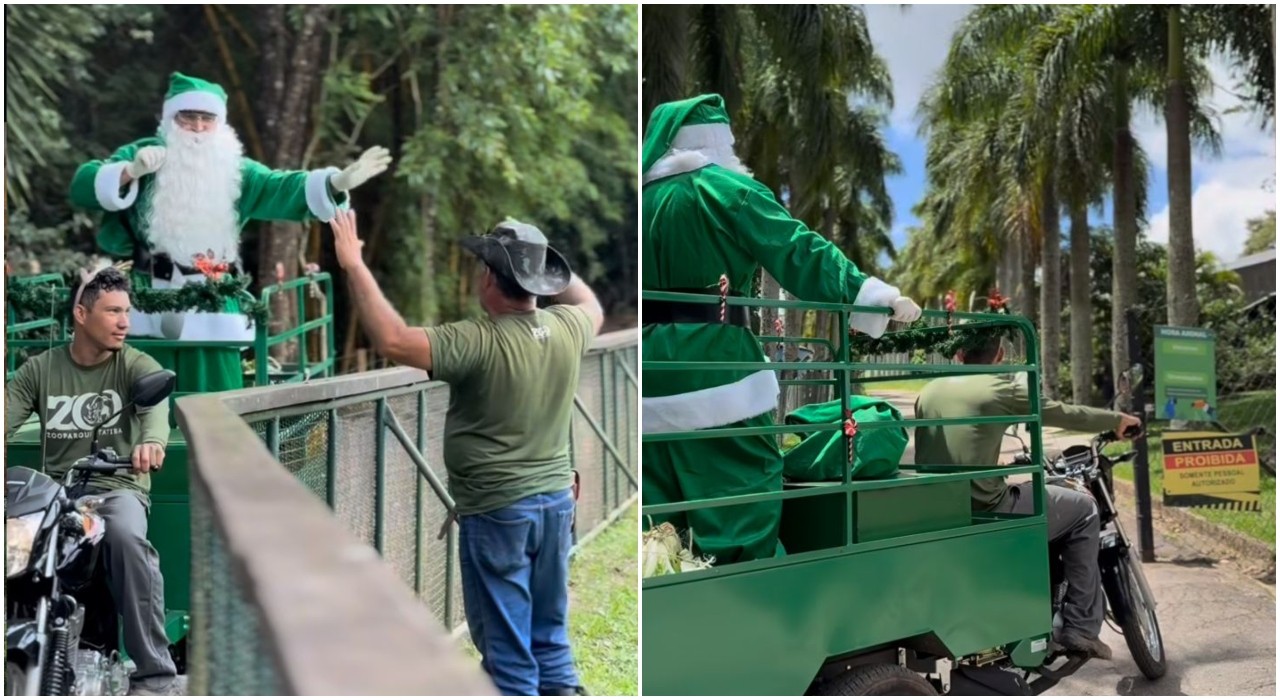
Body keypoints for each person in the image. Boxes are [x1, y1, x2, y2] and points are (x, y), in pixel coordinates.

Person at [329, 209, 603, 696]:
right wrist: (543, 263)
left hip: (500, 512)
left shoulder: (476, 340)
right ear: (539, 282)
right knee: (550, 638)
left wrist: (353, 264)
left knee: (507, 652)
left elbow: (392, 339)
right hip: (557, 504)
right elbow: (590, 302)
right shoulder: (569, 328)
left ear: (491, 281)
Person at [640, 94, 922, 565]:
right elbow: (797, 249)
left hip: (646, 364)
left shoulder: (642, 199)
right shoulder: (726, 190)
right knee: (740, 483)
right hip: (715, 363)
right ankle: (741, 594)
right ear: (716, 143)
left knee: (659, 497)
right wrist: (872, 294)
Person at [69, 72, 391, 393]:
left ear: (219, 123)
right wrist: (129, 172)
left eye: (206, 119)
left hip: (213, 300)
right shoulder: (146, 156)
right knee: (143, 394)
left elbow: (279, 187)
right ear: (170, 118)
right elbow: (83, 185)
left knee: (217, 398)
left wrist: (336, 183)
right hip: (147, 295)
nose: (197, 128)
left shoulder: (235, 171)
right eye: (188, 117)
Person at [4, 266, 185, 696]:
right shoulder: (40, 369)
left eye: (127, 311)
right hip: (56, 493)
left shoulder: (136, 364)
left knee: (125, 540)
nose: (125, 322)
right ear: (81, 314)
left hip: (116, 489)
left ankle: (154, 675)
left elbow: (154, 415)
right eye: (112, 311)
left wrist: (151, 444)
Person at [913, 335, 1144, 661]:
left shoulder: (930, 390)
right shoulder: (1000, 388)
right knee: (1084, 508)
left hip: (937, 508)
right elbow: (1064, 413)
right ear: (1001, 355)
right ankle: (1081, 627)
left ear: (960, 353)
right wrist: (1117, 421)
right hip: (987, 508)